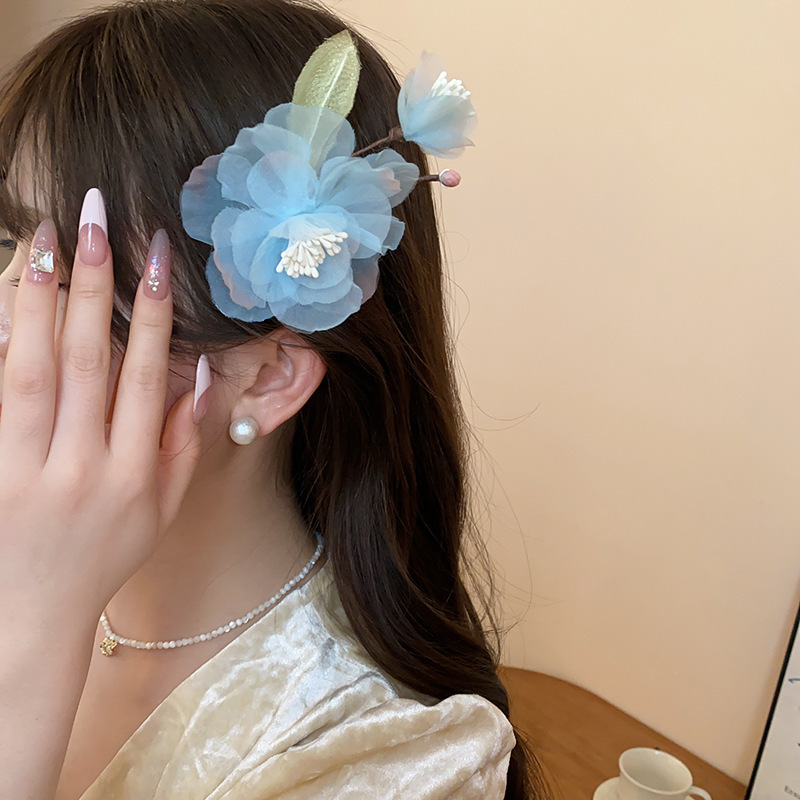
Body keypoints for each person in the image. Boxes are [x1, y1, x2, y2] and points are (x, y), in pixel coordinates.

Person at [0, 1, 549, 798]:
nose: (10, 313)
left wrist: (34, 619)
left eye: (71, 276)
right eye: (10, 244)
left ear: (267, 377)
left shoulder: (385, 761)